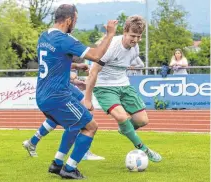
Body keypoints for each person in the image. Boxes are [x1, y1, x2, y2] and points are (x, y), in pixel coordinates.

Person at [32, 4, 117, 179]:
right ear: (69, 20)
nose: (75, 24)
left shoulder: (44, 36)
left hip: (43, 95)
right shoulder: (65, 40)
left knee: (73, 126)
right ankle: (69, 169)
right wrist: (109, 34)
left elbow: (53, 61)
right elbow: (96, 55)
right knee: (91, 126)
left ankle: (57, 164)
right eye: (75, 21)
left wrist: (76, 65)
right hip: (57, 96)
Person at [84, 15, 162, 165]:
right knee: (121, 117)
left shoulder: (135, 48)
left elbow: (126, 64)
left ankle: (125, 129)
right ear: (125, 32)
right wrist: (87, 98)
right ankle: (144, 148)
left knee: (142, 120)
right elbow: (93, 71)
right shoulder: (111, 47)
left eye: (139, 36)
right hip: (104, 87)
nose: (136, 40)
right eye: (133, 36)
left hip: (123, 84)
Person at [23, 64, 105, 161]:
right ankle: (82, 153)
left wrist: (74, 79)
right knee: (85, 111)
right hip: (58, 86)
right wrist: (74, 70)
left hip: (59, 84)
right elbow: (58, 64)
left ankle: (33, 142)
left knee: (59, 117)